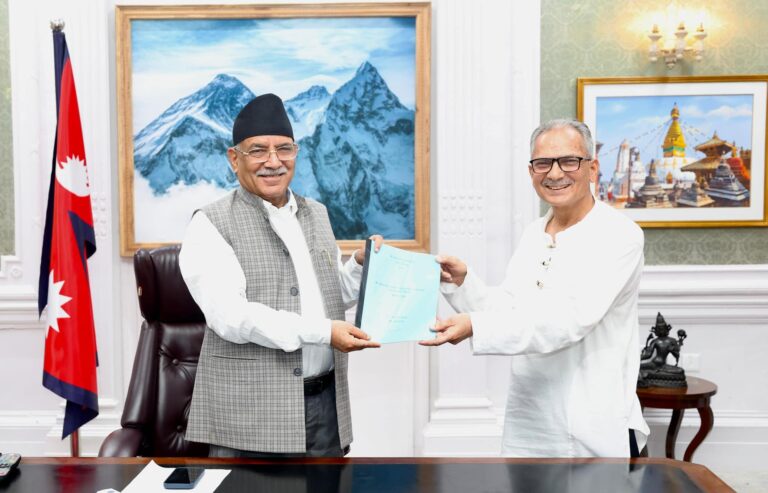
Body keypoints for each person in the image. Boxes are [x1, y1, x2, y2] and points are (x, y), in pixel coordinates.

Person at [421, 118, 649, 458]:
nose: (555, 173)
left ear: (592, 168)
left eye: (569, 161)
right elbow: (512, 309)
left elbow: (568, 322)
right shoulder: (534, 233)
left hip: (593, 423)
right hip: (529, 421)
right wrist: (463, 283)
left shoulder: (619, 235)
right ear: (531, 172)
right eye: (543, 163)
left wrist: (475, 327)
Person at [179, 93, 381, 458]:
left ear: (296, 153)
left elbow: (329, 295)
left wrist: (359, 266)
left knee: (329, 487)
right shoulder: (210, 223)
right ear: (234, 159)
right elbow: (232, 318)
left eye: (284, 149)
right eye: (258, 150)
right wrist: (324, 332)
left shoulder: (316, 212)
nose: (273, 162)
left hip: (326, 407)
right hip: (250, 416)